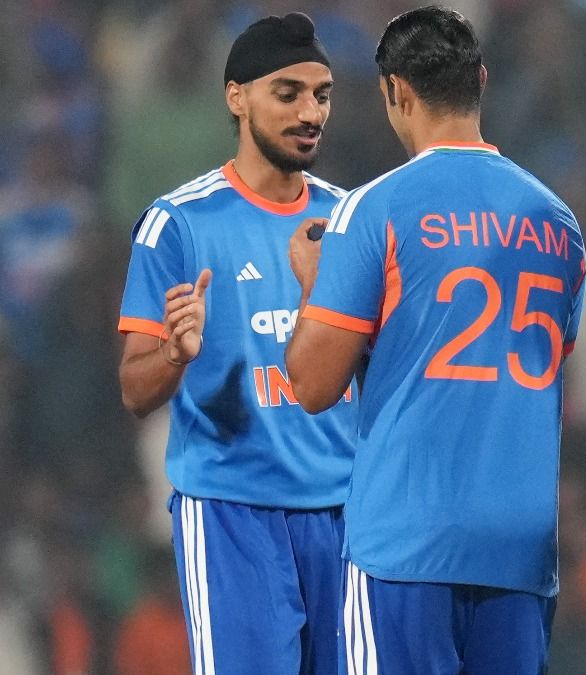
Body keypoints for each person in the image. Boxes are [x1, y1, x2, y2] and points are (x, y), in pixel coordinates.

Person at [283, 7, 586, 674]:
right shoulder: (559, 223)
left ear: (395, 91)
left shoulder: (374, 208)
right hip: (520, 543)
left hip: (408, 538)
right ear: (481, 79)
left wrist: (313, 284)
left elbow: (311, 384)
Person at [116, 13, 356, 674]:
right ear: (236, 97)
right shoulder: (177, 224)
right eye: (288, 93)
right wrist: (175, 353)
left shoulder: (352, 221)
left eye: (323, 94)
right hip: (233, 514)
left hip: (348, 513)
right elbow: (135, 390)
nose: (311, 112)